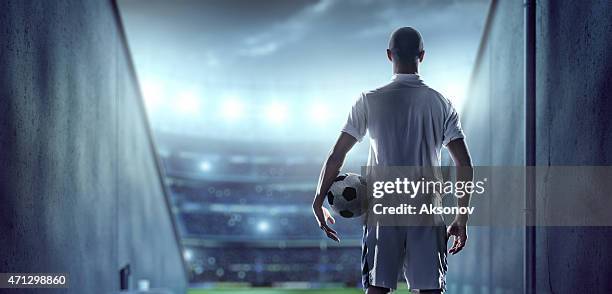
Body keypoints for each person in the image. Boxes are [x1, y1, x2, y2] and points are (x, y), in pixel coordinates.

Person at [312, 27, 473, 293]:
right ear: (422, 55)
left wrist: (318, 201)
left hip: (383, 213)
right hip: (427, 212)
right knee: (430, 290)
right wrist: (461, 217)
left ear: (389, 55)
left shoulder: (368, 100)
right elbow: (464, 164)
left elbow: (336, 155)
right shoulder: (441, 103)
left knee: (377, 289)